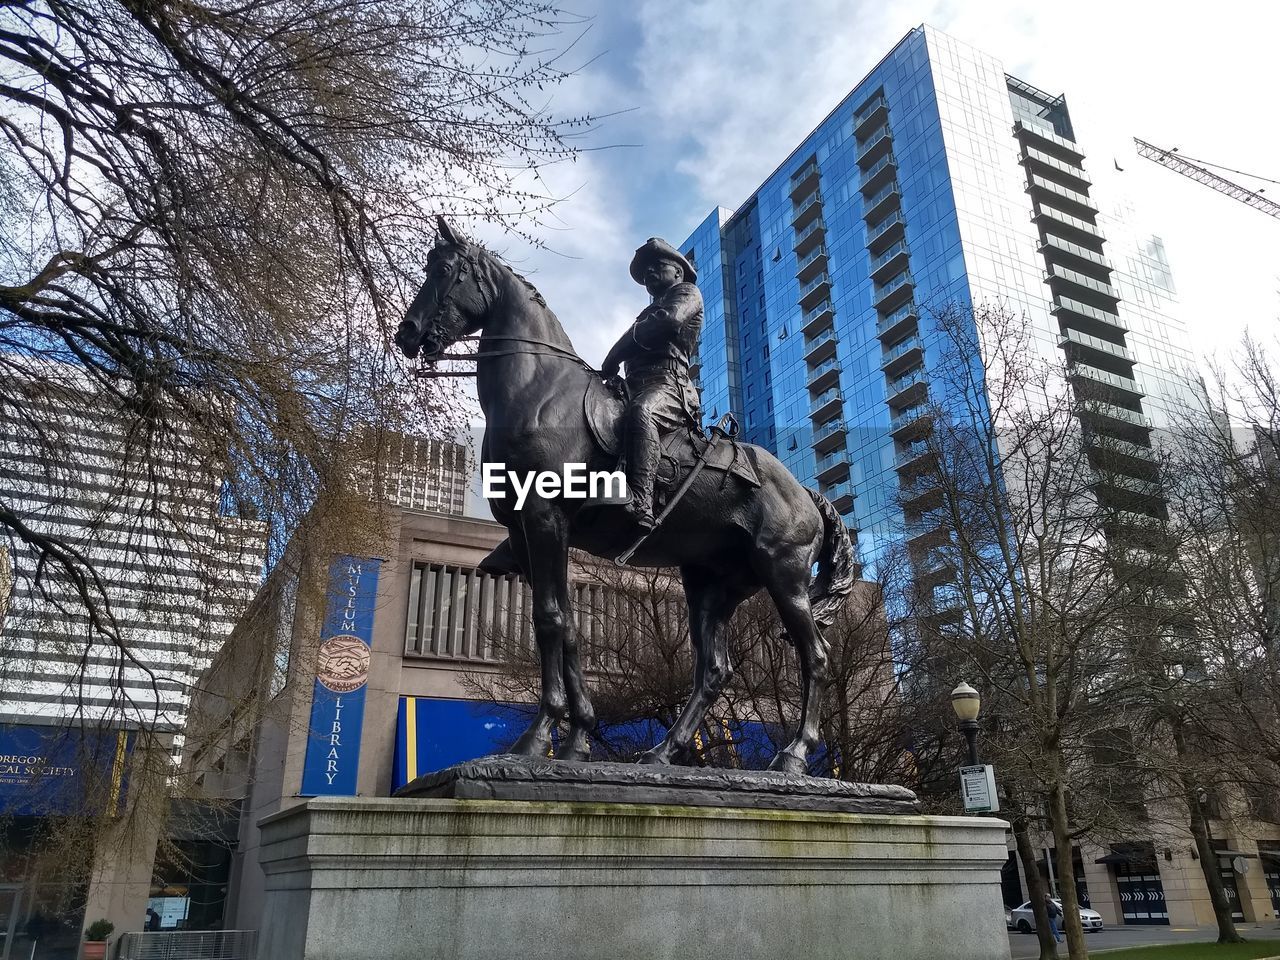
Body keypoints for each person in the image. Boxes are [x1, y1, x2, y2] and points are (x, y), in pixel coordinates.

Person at [600, 238, 703, 529]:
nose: (649, 273)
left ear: (678, 272)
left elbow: (668, 322)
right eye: (645, 271)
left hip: (669, 384)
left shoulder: (687, 293)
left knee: (642, 412)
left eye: (657, 266)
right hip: (633, 383)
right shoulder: (648, 312)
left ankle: (640, 501)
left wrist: (615, 352)